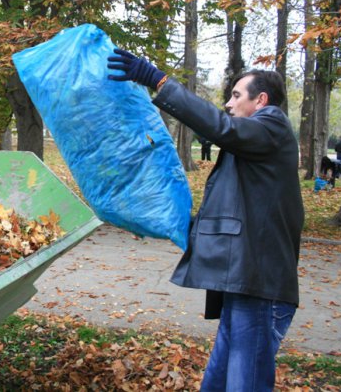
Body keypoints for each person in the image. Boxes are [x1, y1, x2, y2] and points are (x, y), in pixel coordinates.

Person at [107, 48, 303, 391]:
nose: (228, 103)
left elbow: (219, 127)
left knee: (246, 383)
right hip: (244, 281)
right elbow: (231, 206)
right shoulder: (254, 143)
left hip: (259, 284)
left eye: (236, 96)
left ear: (261, 100)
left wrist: (158, 80)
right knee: (218, 379)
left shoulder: (271, 125)